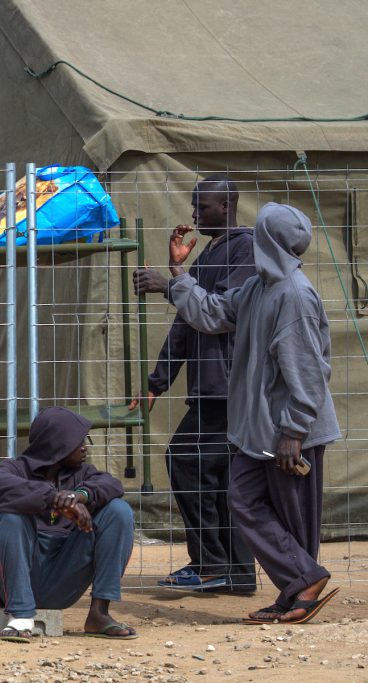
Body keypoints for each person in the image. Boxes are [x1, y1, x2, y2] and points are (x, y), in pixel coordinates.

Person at [164, 202, 342, 624]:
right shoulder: (262, 287)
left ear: (268, 240)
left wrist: (294, 430)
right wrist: (178, 276)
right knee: (244, 499)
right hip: (259, 430)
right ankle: (302, 580)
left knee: (292, 517)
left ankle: (298, 589)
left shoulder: (294, 296)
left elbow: (308, 371)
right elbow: (215, 313)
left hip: (287, 430)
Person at [132, 174, 257, 593]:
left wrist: (170, 284)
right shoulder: (210, 253)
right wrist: (157, 383)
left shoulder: (246, 248)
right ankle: (234, 573)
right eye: (194, 205)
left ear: (227, 206)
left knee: (187, 460)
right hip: (210, 388)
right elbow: (186, 323)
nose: (194, 214)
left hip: (229, 387)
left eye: (202, 207)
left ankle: (211, 565)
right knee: (218, 477)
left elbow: (218, 313)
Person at [0, 407, 137, 641]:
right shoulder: (13, 469)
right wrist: (54, 498)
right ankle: (21, 616)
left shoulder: (82, 473)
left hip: (63, 577)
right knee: (11, 516)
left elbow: (111, 484)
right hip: (14, 581)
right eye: (78, 441)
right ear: (57, 444)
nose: (85, 446)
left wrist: (79, 496)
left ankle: (99, 614)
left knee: (118, 510)